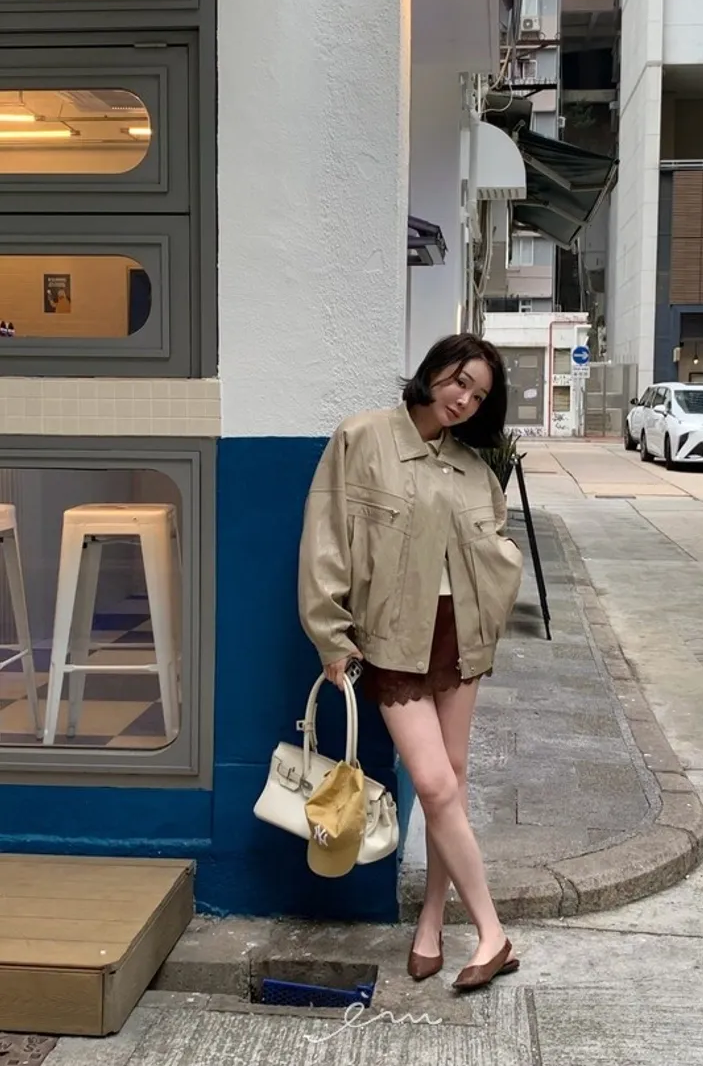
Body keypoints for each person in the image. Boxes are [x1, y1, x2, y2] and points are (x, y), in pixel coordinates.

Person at [298, 332, 523, 992]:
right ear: (433, 371)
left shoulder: (473, 468)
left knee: (451, 778)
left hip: (460, 637)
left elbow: (496, 548)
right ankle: (493, 932)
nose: (464, 399)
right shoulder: (362, 438)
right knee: (433, 783)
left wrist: (495, 597)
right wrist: (331, 634)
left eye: (478, 395)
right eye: (460, 381)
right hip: (393, 640)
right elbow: (325, 539)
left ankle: (432, 919)